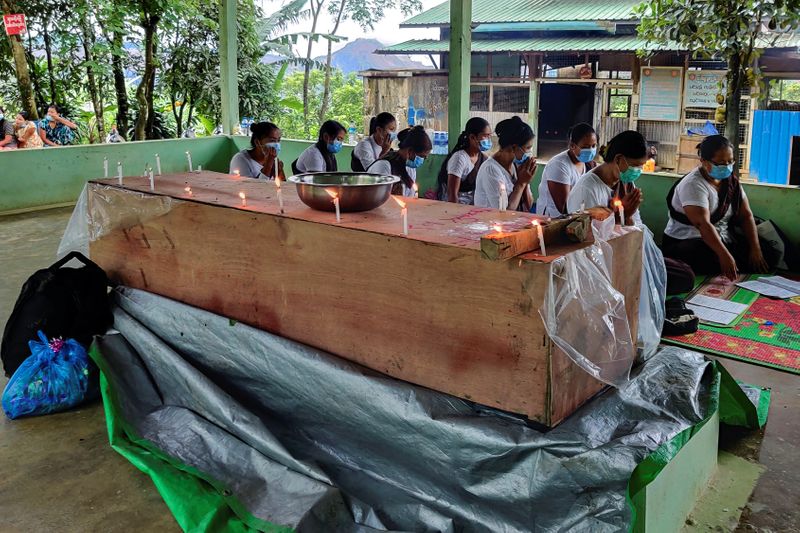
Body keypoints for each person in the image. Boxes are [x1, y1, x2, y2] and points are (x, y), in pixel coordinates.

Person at [662, 135, 774, 280]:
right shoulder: (693, 184)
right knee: (709, 258)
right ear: (704, 161)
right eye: (720, 163)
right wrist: (724, 255)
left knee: (767, 253)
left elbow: (746, 216)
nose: (726, 166)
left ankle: (731, 263)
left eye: (730, 161)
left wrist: (755, 248)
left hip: (723, 237)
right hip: (689, 240)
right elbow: (703, 225)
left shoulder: (731, 182)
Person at [566, 130, 647, 224]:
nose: (638, 170)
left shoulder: (625, 182)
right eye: (635, 165)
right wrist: (622, 216)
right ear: (618, 159)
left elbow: (637, 225)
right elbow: (587, 234)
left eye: (641, 166)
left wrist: (627, 217)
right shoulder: (586, 189)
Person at [473, 116, 536, 211]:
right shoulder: (491, 169)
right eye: (527, 148)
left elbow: (529, 205)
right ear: (514, 147)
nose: (529, 153)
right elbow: (504, 212)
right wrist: (521, 183)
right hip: (490, 224)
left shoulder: (517, 165)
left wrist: (525, 182)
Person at [536, 123, 598, 217]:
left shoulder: (589, 164)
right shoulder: (559, 165)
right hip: (552, 219)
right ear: (572, 146)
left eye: (593, 146)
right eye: (585, 147)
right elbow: (564, 208)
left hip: (574, 217)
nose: (591, 150)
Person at [437, 117, 492, 204]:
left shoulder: (484, 159)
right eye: (485, 136)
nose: (488, 140)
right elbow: (452, 195)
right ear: (472, 137)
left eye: (489, 136)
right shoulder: (459, 159)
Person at [368, 126, 432, 197]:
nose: (422, 161)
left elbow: (410, 196)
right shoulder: (384, 166)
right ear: (410, 151)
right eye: (422, 157)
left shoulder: (410, 168)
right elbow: (379, 197)